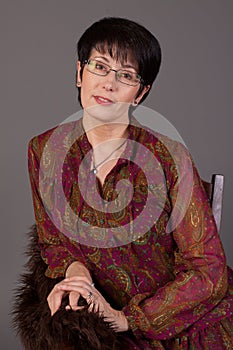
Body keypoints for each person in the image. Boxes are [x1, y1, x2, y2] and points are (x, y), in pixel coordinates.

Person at [27, 17, 233, 349]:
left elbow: (208, 270)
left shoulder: (170, 158)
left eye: (126, 75)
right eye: (99, 66)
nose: (109, 84)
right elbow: (53, 241)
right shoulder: (44, 150)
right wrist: (76, 275)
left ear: (141, 92)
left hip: (174, 322)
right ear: (79, 73)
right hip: (94, 317)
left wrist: (127, 319)